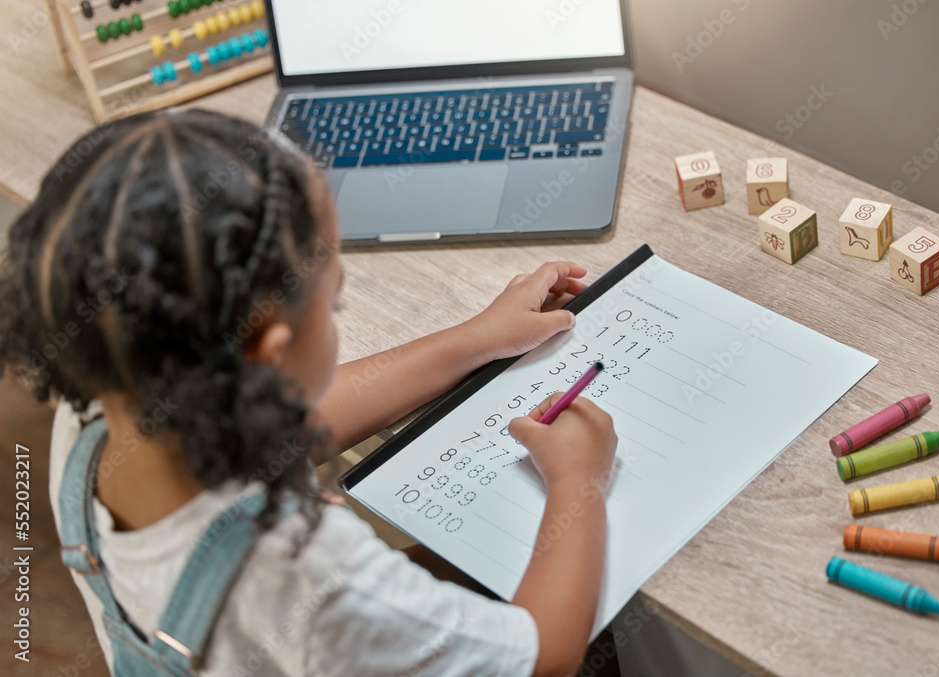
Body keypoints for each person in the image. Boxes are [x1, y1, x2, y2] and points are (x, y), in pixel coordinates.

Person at [0, 109, 618, 676]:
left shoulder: (101, 399)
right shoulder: (306, 571)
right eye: (334, 298)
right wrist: (577, 481)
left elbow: (292, 415)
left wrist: (474, 340)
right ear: (267, 352)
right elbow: (545, 657)